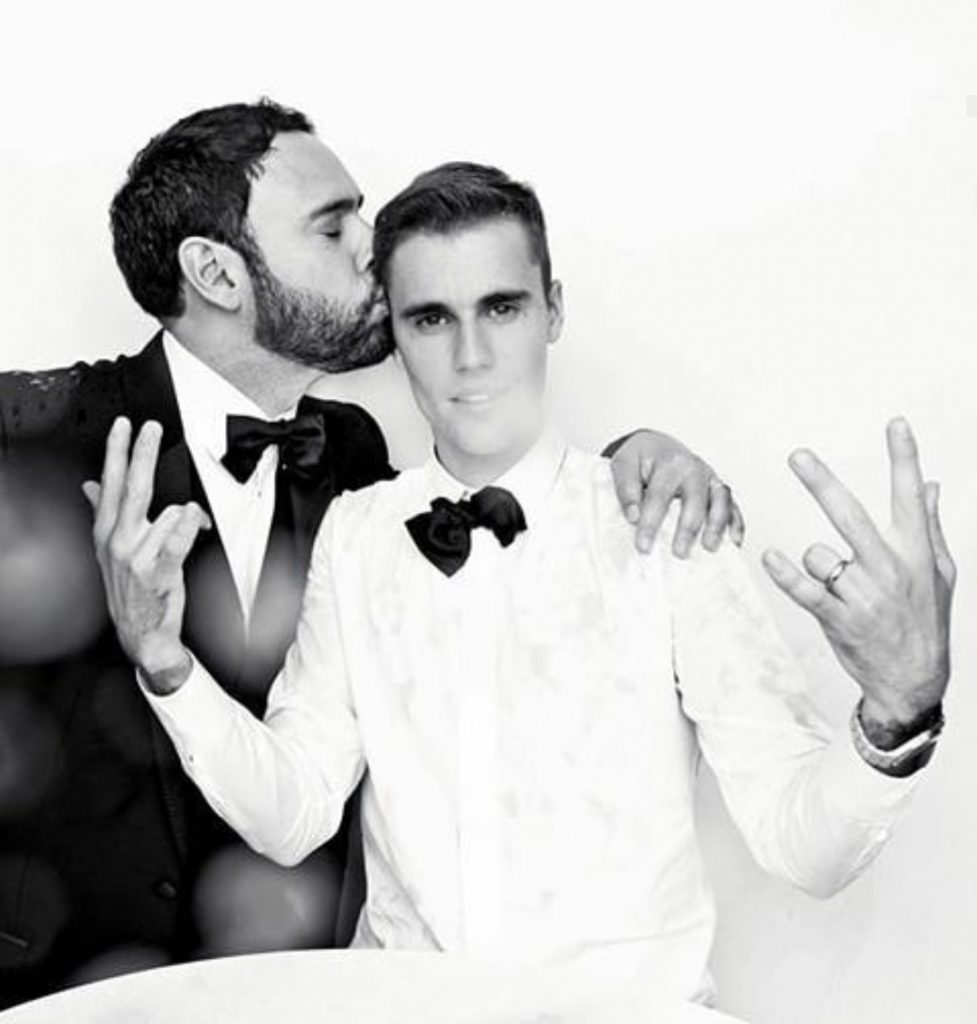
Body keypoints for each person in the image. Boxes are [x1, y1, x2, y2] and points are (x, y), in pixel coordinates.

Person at [89, 162, 954, 1007]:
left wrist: (899, 709)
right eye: (431, 319)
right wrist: (165, 661)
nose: (470, 356)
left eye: (501, 308)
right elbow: (293, 815)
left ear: (554, 310)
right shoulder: (355, 535)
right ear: (394, 331)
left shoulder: (665, 519)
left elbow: (803, 849)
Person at [0, 105, 740, 1006]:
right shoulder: (21, 434)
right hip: (65, 992)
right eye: (334, 225)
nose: (371, 247)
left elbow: (487, 506)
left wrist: (635, 459)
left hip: (304, 992)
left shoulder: (350, 456)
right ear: (215, 273)